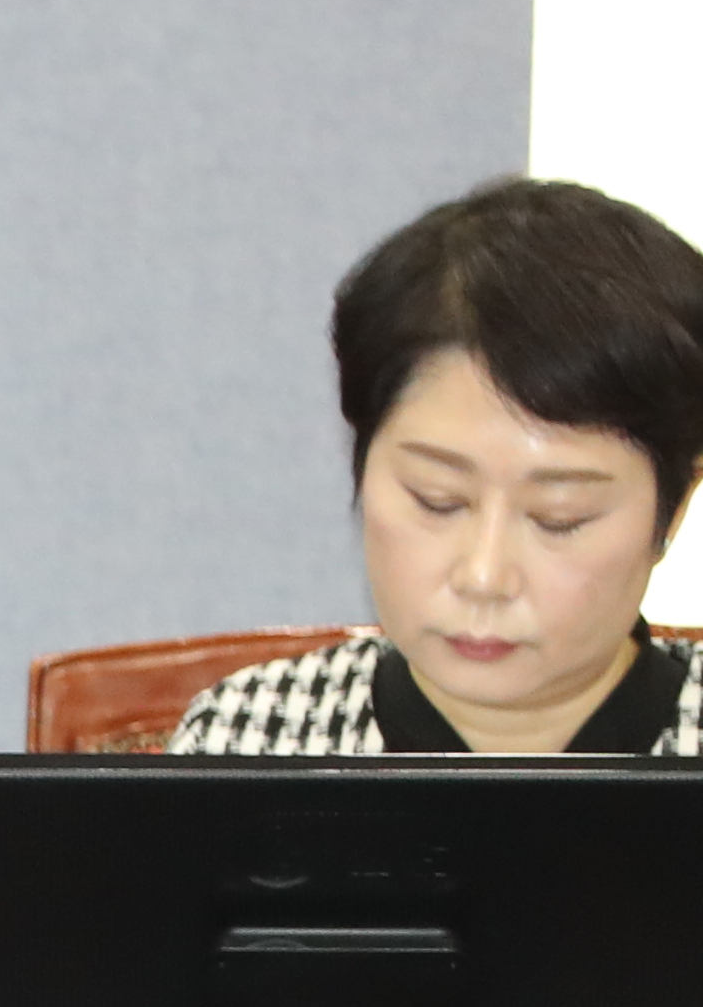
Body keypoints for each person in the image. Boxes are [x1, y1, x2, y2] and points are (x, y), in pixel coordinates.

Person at [174, 177, 703, 760]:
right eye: (437, 499)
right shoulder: (245, 740)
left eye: (559, 518)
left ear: (673, 508)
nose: (483, 577)